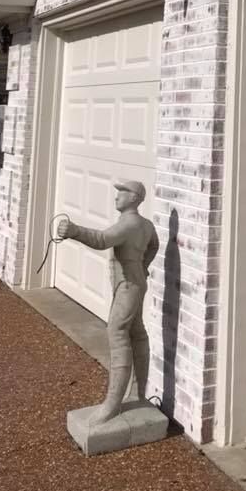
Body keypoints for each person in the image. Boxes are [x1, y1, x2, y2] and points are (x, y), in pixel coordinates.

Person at [58, 179, 159, 425]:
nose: (117, 196)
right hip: (133, 282)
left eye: (122, 192)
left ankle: (112, 405)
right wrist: (142, 267)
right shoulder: (145, 224)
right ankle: (136, 393)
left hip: (128, 285)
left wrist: (74, 231)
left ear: (134, 197)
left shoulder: (131, 223)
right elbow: (154, 246)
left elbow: (102, 240)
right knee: (136, 332)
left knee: (117, 331)